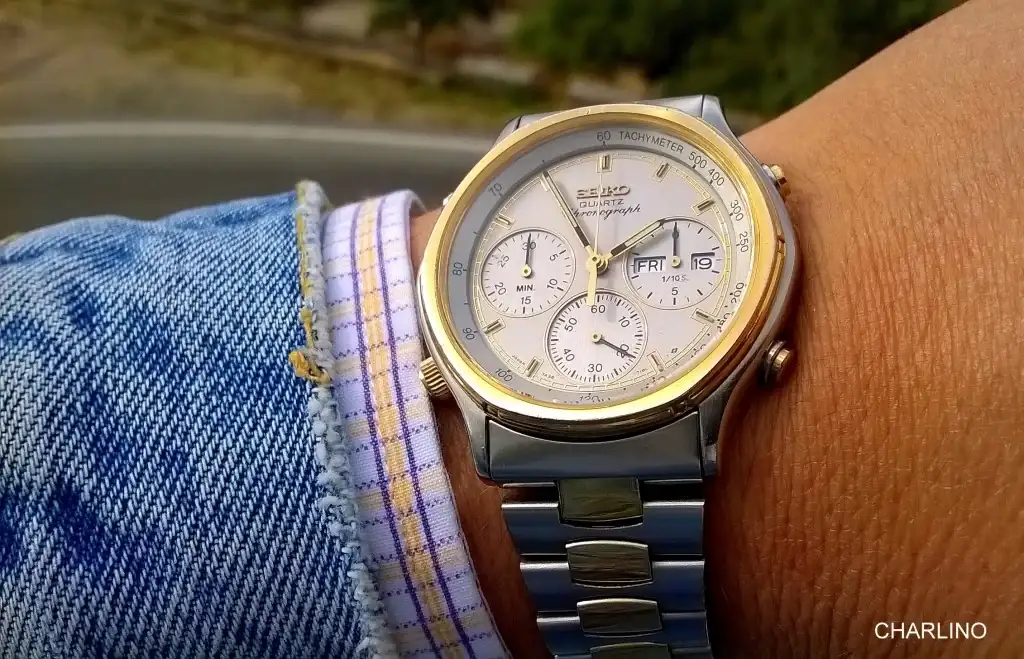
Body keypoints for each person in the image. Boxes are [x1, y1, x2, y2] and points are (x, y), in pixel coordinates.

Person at [1, 0, 1021, 656]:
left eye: (629, 253)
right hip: (507, 404)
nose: (597, 264)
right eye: (581, 250)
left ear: (775, 354)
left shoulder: (740, 238)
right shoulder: (490, 318)